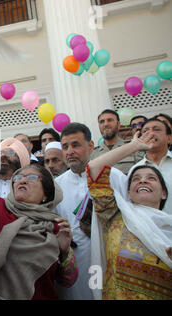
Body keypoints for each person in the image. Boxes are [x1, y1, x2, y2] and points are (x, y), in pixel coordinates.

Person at [0, 162, 78, 300]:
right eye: (17, 178)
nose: (22, 180)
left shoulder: (57, 226)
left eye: (31, 177)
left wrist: (65, 253)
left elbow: (68, 281)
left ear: (46, 195)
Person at [86, 130, 172, 299]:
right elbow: (94, 168)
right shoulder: (114, 215)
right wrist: (134, 146)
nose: (143, 181)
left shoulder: (169, 227)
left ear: (164, 193)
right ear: (129, 193)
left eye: (151, 178)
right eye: (136, 178)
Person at [55, 122, 128, 300]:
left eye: (75, 145)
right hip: (76, 262)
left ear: (91, 146)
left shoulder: (114, 176)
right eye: (65, 147)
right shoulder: (57, 186)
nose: (69, 151)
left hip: (108, 254)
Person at [129, 117, 172, 214]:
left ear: (169, 138)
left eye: (157, 130)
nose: (151, 133)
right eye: (145, 131)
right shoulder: (135, 170)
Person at [91, 109, 143, 174]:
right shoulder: (92, 154)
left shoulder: (133, 148)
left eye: (109, 120)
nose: (106, 124)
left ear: (118, 124)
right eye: (102, 122)